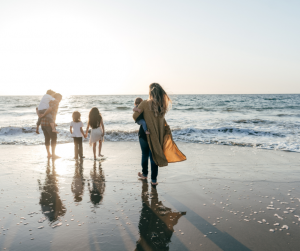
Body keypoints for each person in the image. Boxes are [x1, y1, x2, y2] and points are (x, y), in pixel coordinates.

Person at [133, 83, 186, 186]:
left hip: (144, 134)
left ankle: (144, 174)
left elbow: (135, 116)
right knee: (154, 157)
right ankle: (154, 180)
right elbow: (161, 122)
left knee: (144, 154)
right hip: (156, 136)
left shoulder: (144, 103)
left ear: (150, 92)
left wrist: (143, 115)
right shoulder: (161, 107)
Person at [40, 93, 62, 158]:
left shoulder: (47, 102)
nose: (60, 100)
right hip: (49, 124)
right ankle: (53, 154)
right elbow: (50, 111)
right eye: (60, 99)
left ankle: (49, 154)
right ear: (58, 98)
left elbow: (40, 109)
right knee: (54, 138)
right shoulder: (55, 102)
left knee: (47, 138)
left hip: (43, 123)